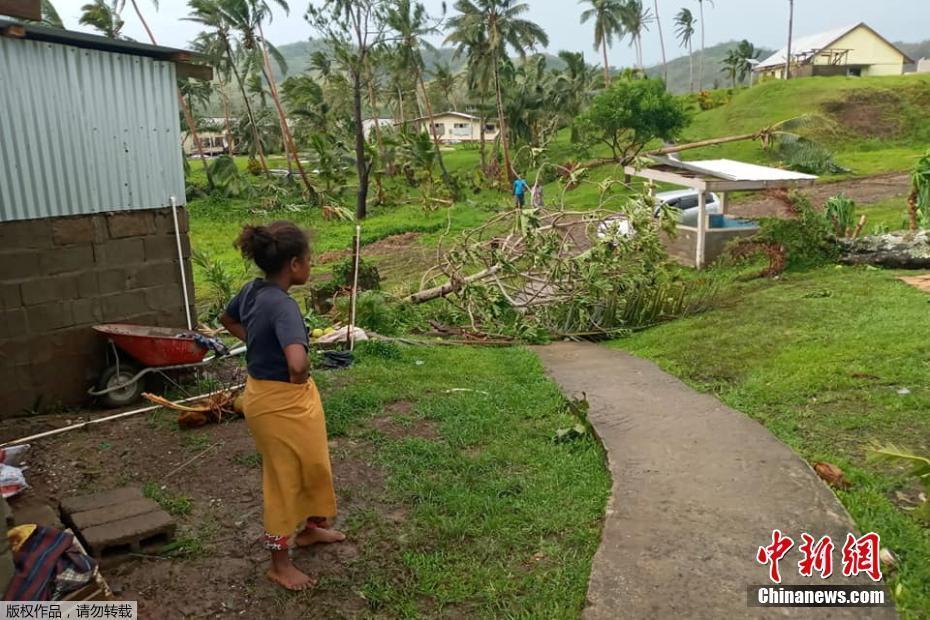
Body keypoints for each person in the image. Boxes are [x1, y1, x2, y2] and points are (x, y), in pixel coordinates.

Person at [220, 221, 344, 591]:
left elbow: (227, 319)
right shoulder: (285, 307)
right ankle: (279, 562)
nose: (311, 264)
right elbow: (298, 363)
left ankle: (310, 529)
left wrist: (259, 345)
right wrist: (297, 379)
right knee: (283, 478)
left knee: (311, 463)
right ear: (293, 264)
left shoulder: (252, 291)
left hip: (263, 395)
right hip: (282, 403)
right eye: (309, 259)